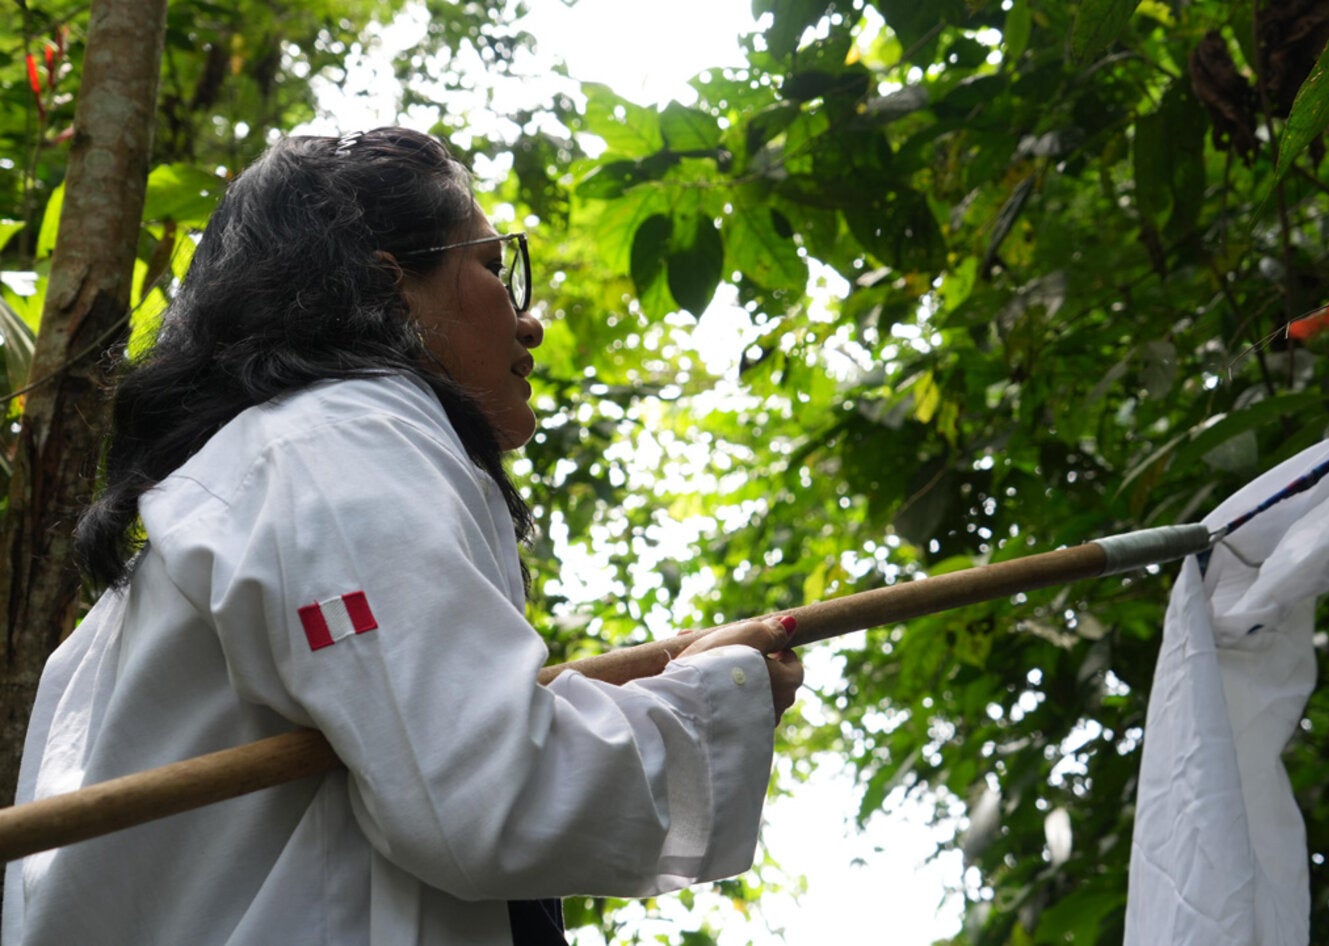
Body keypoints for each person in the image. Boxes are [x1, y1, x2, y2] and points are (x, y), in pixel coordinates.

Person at [1, 127, 803, 946]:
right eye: (494, 268)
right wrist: (714, 696)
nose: (528, 323)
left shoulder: (255, 484)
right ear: (390, 288)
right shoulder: (333, 440)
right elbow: (490, 797)